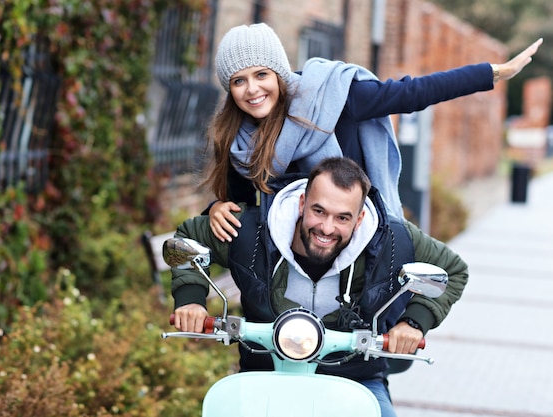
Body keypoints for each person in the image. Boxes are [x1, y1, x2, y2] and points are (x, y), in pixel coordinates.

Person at [171, 156, 469, 417]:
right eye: (318, 211)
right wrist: (191, 300)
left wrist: (414, 323)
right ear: (302, 203)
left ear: (360, 218)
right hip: (264, 373)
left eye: (342, 218)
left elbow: (453, 269)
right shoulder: (252, 231)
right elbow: (189, 240)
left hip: (356, 377)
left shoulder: (393, 239)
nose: (327, 228)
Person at [204, 22, 543, 242]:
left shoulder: (333, 97)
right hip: (293, 260)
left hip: (367, 242)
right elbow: (242, 208)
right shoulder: (237, 140)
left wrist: (493, 72)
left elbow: (414, 93)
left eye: (261, 74)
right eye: (238, 81)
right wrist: (216, 209)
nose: (252, 89)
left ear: (278, 72)